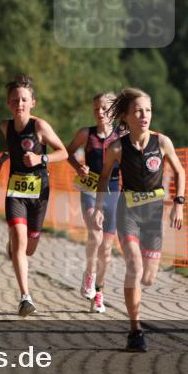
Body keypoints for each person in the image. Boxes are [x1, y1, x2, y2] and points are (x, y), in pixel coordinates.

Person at [93, 88, 186, 352]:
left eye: (147, 110)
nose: (144, 115)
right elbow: (103, 178)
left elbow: (180, 172)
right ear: (126, 116)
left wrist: (179, 204)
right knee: (133, 265)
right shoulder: (116, 147)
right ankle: (135, 329)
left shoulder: (163, 142)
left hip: (154, 215)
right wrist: (100, 207)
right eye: (137, 111)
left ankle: (137, 307)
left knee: (148, 278)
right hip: (128, 212)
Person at [0, 75, 68, 317]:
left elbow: (63, 152)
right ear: (8, 103)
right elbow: (13, 147)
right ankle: (26, 297)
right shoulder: (5, 126)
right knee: (20, 241)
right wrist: (2, 159)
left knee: (29, 247)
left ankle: (16, 246)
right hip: (15, 191)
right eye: (15, 100)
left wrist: (41, 158)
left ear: (32, 102)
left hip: (39, 191)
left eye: (24, 99)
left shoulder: (40, 127)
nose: (19, 103)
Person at [65, 93, 126, 313]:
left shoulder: (122, 134)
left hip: (113, 192)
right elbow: (67, 152)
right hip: (90, 189)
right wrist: (78, 167)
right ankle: (89, 275)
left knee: (107, 250)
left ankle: (99, 293)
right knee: (95, 234)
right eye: (96, 109)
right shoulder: (86, 134)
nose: (99, 112)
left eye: (103, 108)